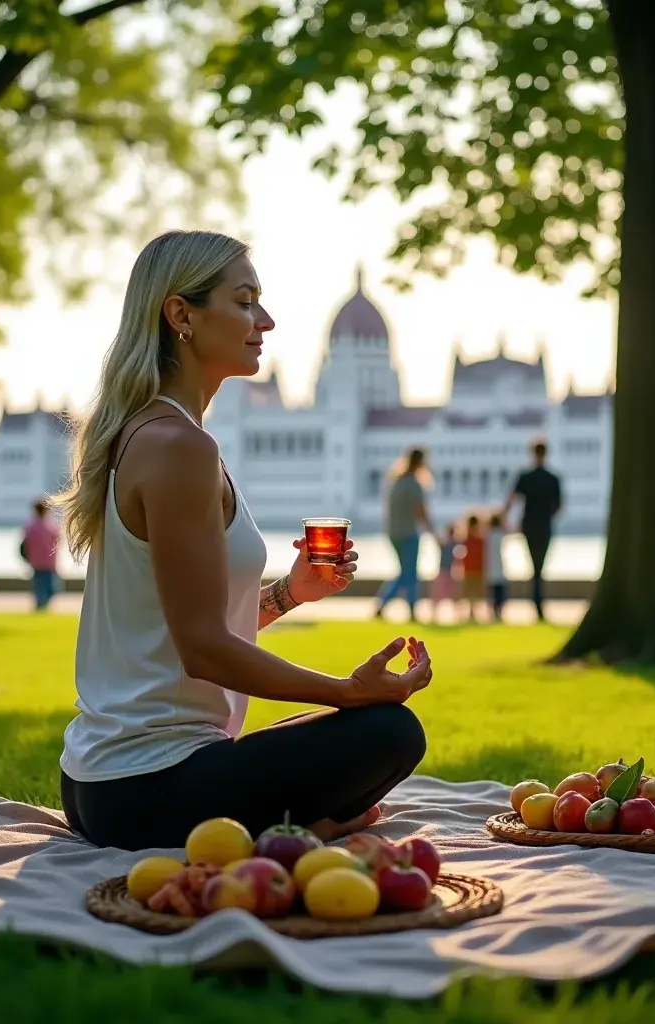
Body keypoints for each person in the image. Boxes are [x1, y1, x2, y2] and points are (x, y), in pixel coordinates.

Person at [55, 230, 433, 852]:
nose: (266, 320)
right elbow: (203, 650)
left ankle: (299, 822)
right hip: (148, 786)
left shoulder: (157, 433)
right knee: (389, 732)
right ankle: (305, 826)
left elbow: (178, 631)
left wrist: (289, 594)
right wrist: (347, 691)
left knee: (350, 730)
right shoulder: (179, 447)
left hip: (101, 784)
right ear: (181, 315)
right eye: (244, 301)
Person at [372, 447, 433, 621]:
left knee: (404, 572)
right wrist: (434, 533)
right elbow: (421, 513)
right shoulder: (414, 484)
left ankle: (383, 604)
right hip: (408, 533)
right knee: (410, 574)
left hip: (393, 532)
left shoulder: (395, 482)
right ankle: (409, 609)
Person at [504, 440, 562, 622]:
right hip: (544, 525)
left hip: (529, 525)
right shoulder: (553, 478)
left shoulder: (525, 476)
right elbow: (558, 505)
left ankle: (536, 601)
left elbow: (511, 500)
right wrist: (548, 515)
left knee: (534, 565)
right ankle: (538, 603)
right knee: (540, 565)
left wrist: (503, 520)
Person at [22, 499, 61, 611]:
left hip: (38, 562)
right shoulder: (50, 527)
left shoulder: (31, 527)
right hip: (46, 562)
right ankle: (41, 605)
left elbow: (26, 544)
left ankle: (41, 605)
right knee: (49, 586)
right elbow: (57, 541)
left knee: (41, 586)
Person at [458, 514, 484, 623]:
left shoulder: (473, 539)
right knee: (471, 592)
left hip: (474, 569)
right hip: (470, 569)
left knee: (473, 593)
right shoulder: (473, 539)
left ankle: (472, 612)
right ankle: (470, 612)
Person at [428, 523, 459, 618]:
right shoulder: (450, 544)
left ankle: (454, 612)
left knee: (443, 594)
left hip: (447, 572)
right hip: (445, 572)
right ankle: (435, 612)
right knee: (442, 594)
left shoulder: (451, 543)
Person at [485, 512, 507, 622]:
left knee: (492, 594)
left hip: (489, 569)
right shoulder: (500, 534)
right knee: (500, 594)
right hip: (500, 569)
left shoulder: (487, 535)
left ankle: (493, 612)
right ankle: (499, 612)